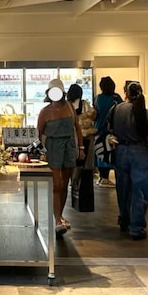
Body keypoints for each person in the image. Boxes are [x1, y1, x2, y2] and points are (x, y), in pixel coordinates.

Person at [110, 81, 148, 240]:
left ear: (125, 93)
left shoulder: (116, 109)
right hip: (140, 153)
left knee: (123, 189)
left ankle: (124, 220)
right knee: (140, 190)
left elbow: (108, 128)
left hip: (120, 151)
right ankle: (137, 228)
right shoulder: (144, 112)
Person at [37, 79, 84, 236]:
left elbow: (77, 128)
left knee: (65, 184)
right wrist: (41, 152)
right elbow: (38, 134)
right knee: (57, 184)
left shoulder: (69, 107)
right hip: (53, 149)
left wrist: (81, 147)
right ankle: (57, 220)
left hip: (69, 147)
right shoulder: (45, 112)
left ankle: (60, 215)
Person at [66, 83, 97, 211]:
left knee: (73, 165)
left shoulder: (66, 105)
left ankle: (72, 183)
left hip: (71, 140)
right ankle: (79, 190)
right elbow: (93, 115)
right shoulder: (85, 105)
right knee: (84, 168)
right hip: (86, 139)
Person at [93, 76, 123, 186]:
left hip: (98, 129)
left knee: (100, 152)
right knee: (110, 153)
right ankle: (105, 178)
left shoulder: (97, 98)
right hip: (111, 130)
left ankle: (102, 177)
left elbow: (94, 113)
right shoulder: (116, 98)